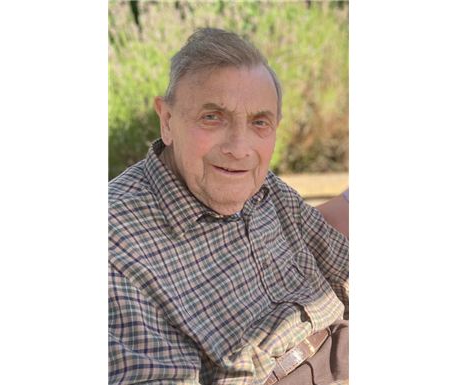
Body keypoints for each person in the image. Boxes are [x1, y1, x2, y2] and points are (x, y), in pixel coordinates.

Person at [109, 28, 349, 385]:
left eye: (259, 123)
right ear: (167, 121)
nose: (239, 148)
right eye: (213, 117)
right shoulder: (117, 241)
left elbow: (343, 266)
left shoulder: (264, 187)